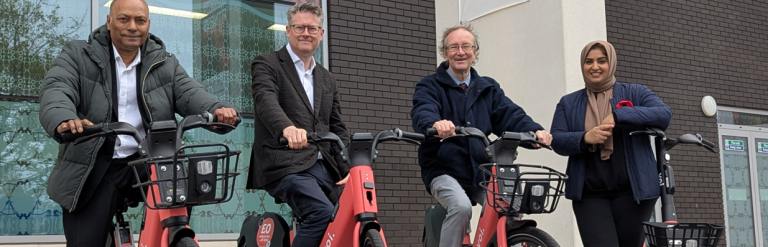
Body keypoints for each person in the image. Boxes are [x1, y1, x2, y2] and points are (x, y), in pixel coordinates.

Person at [38, 0, 239, 245]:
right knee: (85, 240)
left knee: (176, 193)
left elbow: (190, 93)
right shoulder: (78, 54)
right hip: (96, 163)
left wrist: (216, 110)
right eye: (124, 19)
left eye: (140, 20)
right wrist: (64, 117)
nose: (132, 27)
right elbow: (58, 88)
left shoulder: (165, 62)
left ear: (148, 24)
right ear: (109, 22)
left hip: (149, 160)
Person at [410, 24, 552, 247]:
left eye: (466, 46)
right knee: (461, 207)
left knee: (508, 206)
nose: (460, 52)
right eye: (454, 47)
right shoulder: (430, 85)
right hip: (443, 168)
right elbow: (423, 109)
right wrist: (435, 124)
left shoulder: (487, 88)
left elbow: (509, 113)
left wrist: (534, 131)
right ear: (445, 52)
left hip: (481, 168)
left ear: (475, 51)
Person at [245, 2, 349, 247]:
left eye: (312, 29)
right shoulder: (267, 63)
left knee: (352, 214)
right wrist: (287, 128)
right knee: (322, 213)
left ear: (321, 34)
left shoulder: (327, 78)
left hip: (325, 166)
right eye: (300, 27)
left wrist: (349, 167)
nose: (306, 33)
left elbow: (336, 125)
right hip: (285, 162)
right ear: (288, 30)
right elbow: (265, 100)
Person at [549, 40, 672, 247]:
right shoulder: (568, 103)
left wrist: (618, 114)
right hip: (589, 195)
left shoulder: (636, 93)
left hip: (634, 194)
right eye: (589, 61)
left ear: (611, 63)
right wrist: (585, 138)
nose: (594, 67)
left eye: (601, 61)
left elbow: (663, 115)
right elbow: (557, 140)